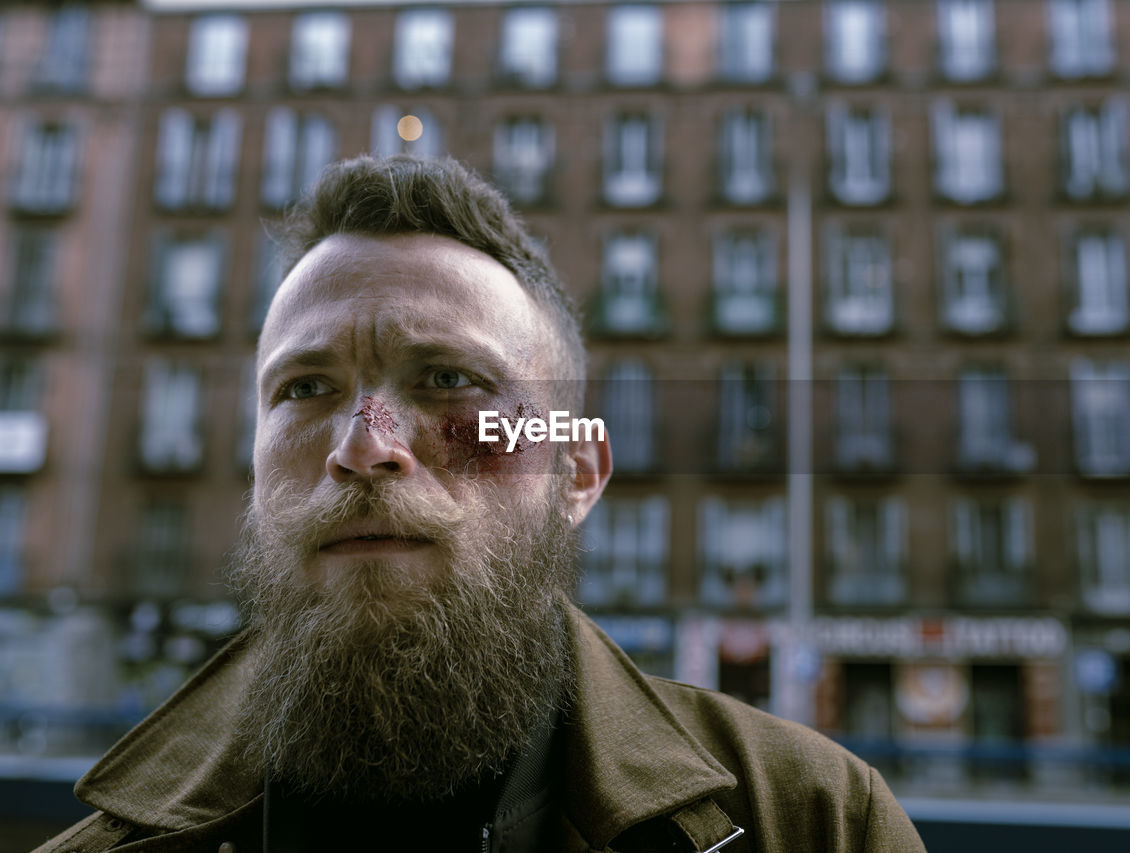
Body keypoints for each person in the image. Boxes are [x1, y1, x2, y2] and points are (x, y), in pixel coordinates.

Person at [36, 155, 925, 852]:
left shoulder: (812, 824)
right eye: (306, 388)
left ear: (576, 471)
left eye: (449, 380)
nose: (362, 445)